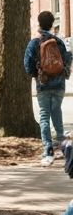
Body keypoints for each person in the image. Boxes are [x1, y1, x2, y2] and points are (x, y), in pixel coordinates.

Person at [24, 10, 71, 166]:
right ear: (51, 24)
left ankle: (48, 151)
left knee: (44, 116)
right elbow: (67, 59)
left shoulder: (34, 43)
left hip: (43, 84)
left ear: (39, 23)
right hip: (58, 85)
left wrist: (36, 75)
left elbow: (28, 64)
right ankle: (64, 147)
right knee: (57, 113)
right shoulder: (59, 42)